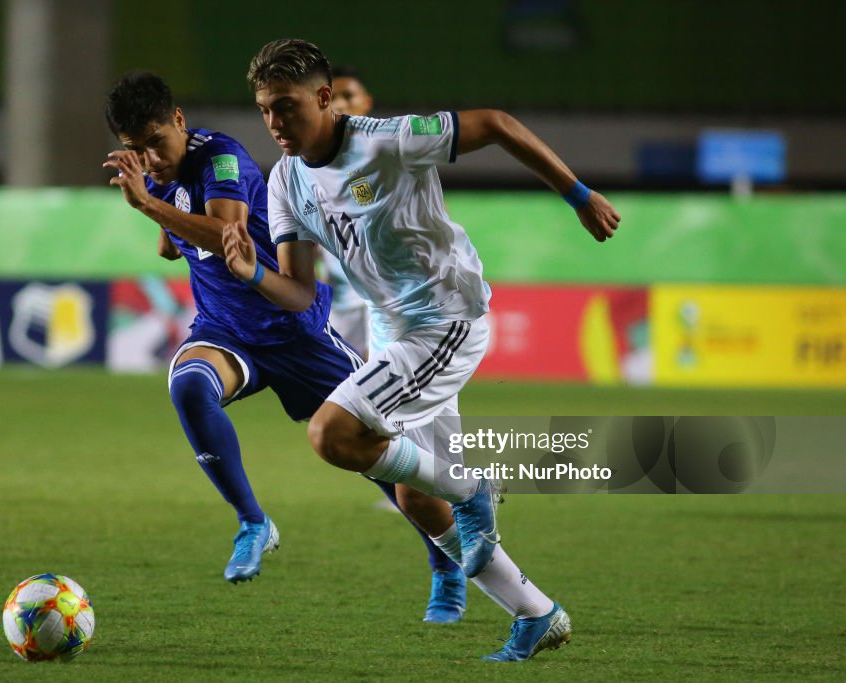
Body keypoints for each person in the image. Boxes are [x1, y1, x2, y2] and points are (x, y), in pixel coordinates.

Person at [224, 39, 620, 662]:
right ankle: (536, 612)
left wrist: (578, 195)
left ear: (325, 98)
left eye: (287, 106)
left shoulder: (389, 139)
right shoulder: (285, 180)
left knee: (333, 435)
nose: (275, 123)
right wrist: (251, 274)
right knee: (414, 492)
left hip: (447, 319)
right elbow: (301, 294)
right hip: (392, 327)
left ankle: (474, 492)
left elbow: (495, 124)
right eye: (266, 109)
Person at [101, 71, 467, 623]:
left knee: (373, 453)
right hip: (226, 330)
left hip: (294, 329)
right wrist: (156, 195)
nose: (150, 158)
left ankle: (445, 565)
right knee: (189, 387)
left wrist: (149, 205)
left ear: (179, 121)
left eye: (156, 142)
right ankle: (253, 521)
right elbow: (170, 247)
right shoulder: (158, 174)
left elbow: (228, 239)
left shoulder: (222, 158)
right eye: (137, 149)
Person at [319, 65, 374, 360]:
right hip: (338, 305)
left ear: (366, 101)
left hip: (381, 302)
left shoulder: (393, 154)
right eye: (333, 97)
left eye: (348, 96)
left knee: (376, 389)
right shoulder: (311, 165)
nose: (340, 104)